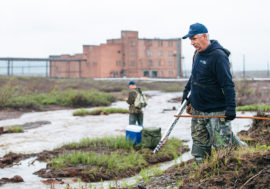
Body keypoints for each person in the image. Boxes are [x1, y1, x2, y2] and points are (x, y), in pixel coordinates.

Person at [182, 23, 246, 163]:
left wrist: (231, 108)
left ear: (204, 36)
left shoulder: (218, 56)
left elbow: (227, 84)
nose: (192, 43)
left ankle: (239, 153)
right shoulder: (197, 54)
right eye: (190, 40)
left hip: (215, 111)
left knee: (222, 150)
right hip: (198, 110)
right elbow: (194, 76)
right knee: (199, 149)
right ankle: (201, 177)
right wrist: (186, 92)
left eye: (194, 39)